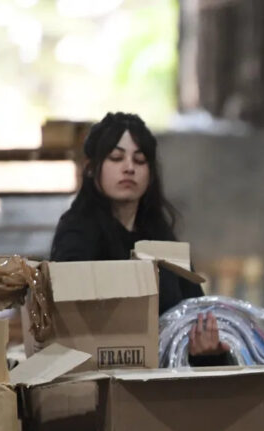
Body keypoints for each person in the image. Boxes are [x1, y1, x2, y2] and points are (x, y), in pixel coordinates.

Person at [50, 112, 229, 361]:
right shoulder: (76, 233)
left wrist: (207, 348)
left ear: (151, 173)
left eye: (140, 159)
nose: (129, 168)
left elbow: (194, 308)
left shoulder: (161, 237)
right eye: (116, 157)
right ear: (91, 168)